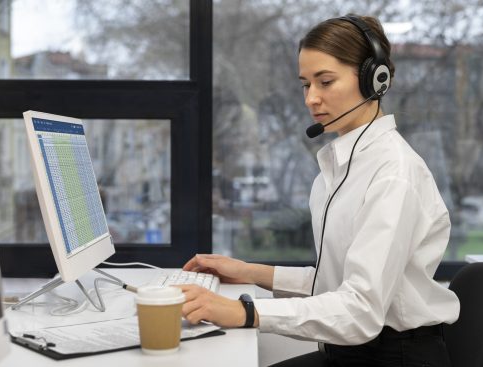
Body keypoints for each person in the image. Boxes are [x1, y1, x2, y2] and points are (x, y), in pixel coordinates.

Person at [175, 14, 460, 366]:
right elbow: (334, 282)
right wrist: (249, 272)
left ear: (376, 80)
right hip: (354, 351)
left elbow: (360, 309)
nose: (311, 98)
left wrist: (245, 312)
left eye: (325, 81)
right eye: (305, 85)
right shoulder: (342, 166)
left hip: (395, 357)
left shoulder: (393, 174)